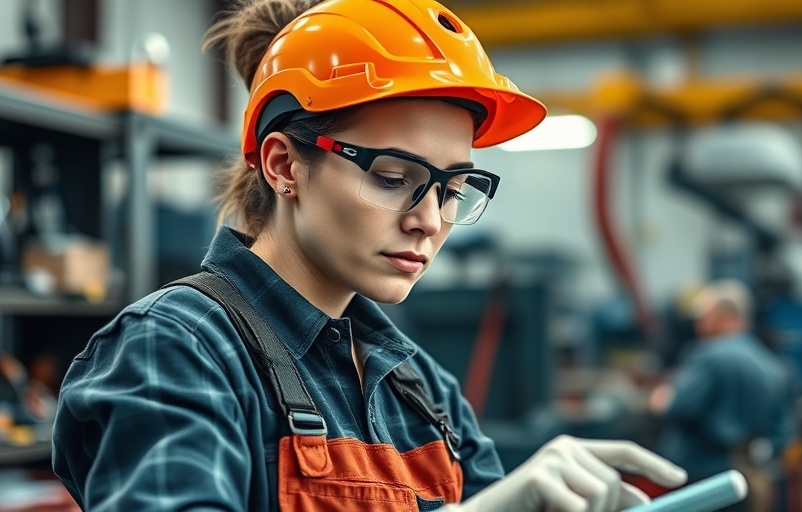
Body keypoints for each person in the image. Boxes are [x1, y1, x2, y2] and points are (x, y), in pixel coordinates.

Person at [51, 0, 688, 510]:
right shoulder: (178, 350)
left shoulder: (417, 386)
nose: (431, 220)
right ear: (283, 166)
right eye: (392, 177)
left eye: (454, 188)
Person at [648, 279, 795, 511]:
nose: (697, 323)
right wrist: (755, 456)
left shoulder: (709, 356)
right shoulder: (773, 366)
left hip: (702, 479)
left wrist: (661, 398)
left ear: (725, 316)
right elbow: (783, 430)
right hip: (746, 479)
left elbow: (680, 405)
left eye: (704, 315)